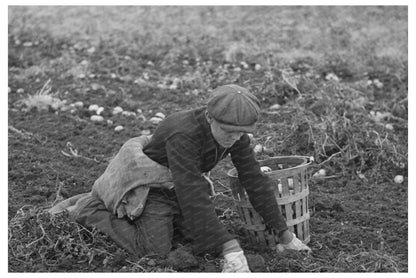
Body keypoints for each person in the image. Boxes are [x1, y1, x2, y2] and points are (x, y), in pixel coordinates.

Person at [49, 84, 311, 272]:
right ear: (210, 117)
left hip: (178, 184)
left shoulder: (237, 136)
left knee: (197, 241)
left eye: (241, 133)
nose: (234, 138)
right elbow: (193, 192)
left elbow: (253, 179)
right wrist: (229, 246)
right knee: (155, 250)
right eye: (229, 131)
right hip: (152, 185)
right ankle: (88, 208)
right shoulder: (183, 134)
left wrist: (284, 234)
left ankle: (172, 221)